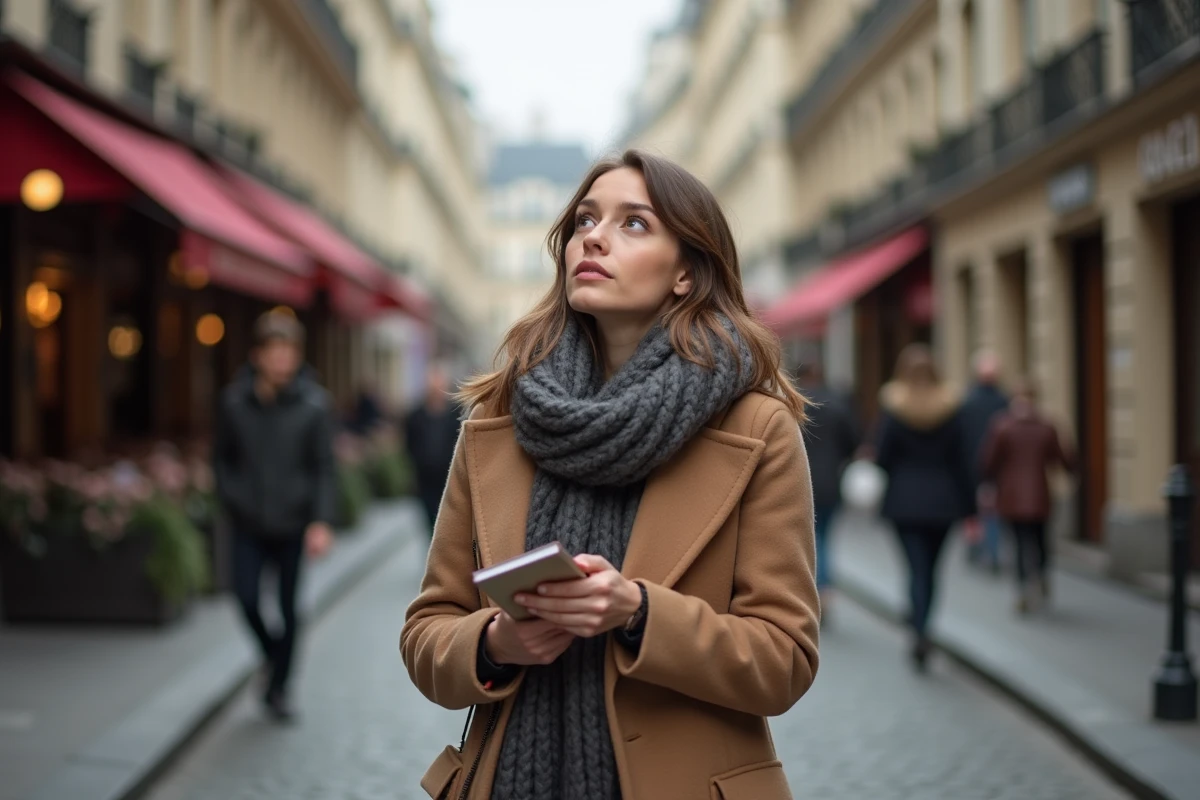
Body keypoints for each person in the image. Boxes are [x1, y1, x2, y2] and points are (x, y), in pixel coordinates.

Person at [401, 150, 820, 800]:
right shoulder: (499, 417)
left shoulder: (756, 429)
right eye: (585, 220)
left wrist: (638, 611)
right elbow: (428, 630)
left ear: (686, 272)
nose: (592, 236)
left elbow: (784, 660)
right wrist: (494, 641)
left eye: (633, 224)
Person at [213, 311, 335, 723]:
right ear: (258, 355)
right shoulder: (233, 403)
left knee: (288, 607)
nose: (282, 360)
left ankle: (279, 690)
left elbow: (323, 467)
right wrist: (233, 497)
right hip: (247, 522)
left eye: (289, 352)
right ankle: (273, 655)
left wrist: (319, 521)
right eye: (275, 352)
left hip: (292, 523)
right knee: (245, 599)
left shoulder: (314, 406)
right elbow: (221, 461)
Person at [875, 344, 973, 672]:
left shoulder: (894, 407)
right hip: (943, 502)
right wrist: (970, 508)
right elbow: (963, 461)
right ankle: (923, 625)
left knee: (914, 568)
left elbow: (882, 456)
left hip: (904, 501)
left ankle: (917, 627)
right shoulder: (952, 408)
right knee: (931, 571)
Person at [981, 379, 1075, 614]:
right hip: (1040, 494)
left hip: (1011, 495)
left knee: (1019, 542)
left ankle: (1023, 587)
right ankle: (1041, 576)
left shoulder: (1002, 426)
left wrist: (989, 481)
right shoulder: (1046, 426)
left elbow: (989, 461)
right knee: (1040, 540)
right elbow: (1062, 459)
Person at [796, 360, 859, 625]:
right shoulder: (836, 404)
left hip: (800, 482)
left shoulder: (793, 402)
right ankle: (825, 591)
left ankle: (815, 591)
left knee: (809, 539)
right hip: (831, 483)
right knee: (825, 537)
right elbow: (853, 441)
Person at [959, 349, 1010, 573]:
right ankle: (991, 550)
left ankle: (975, 544)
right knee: (992, 509)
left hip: (972, 463)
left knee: (974, 507)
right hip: (997, 465)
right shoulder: (1004, 402)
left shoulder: (967, 401)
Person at [403, 363, 463, 536]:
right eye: (433, 384)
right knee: (430, 523)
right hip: (425, 481)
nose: (436, 388)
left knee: (450, 523)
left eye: (439, 384)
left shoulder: (456, 413)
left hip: (449, 478)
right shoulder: (415, 416)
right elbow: (409, 444)